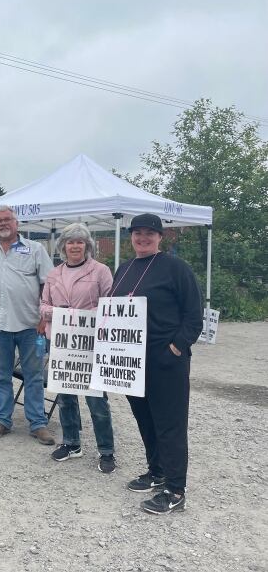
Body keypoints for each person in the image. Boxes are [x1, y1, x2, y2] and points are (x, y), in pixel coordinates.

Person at [110, 213, 202, 514]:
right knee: (146, 419)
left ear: (161, 237)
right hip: (131, 362)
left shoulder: (176, 268)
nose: (143, 238)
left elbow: (193, 316)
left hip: (166, 361)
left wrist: (175, 348)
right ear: (131, 237)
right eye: (137, 233)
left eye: (150, 233)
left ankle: (176, 489)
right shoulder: (124, 269)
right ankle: (157, 470)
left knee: (170, 424)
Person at [0, 205, 55, 444]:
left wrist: (43, 319)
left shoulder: (35, 249)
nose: (3, 224)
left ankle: (38, 423)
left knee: (34, 376)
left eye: (8, 219)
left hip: (30, 326)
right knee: (0, 375)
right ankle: (2, 420)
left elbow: (47, 287)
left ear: (17, 223)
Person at [40, 223, 116, 473]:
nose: (75, 245)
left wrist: (80, 315)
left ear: (88, 246)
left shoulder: (101, 271)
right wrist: (59, 313)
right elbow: (43, 306)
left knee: (96, 399)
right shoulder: (54, 274)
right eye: (70, 241)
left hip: (89, 342)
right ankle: (71, 443)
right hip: (61, 342)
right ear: (63, 246)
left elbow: (110, 305)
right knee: (65, 397)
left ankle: (106, 451)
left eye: (80, 241)